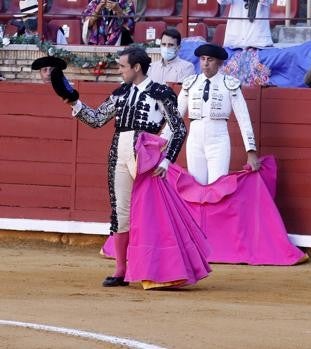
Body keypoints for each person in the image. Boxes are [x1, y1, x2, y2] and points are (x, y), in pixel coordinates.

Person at [68, 46, 187, 287]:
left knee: (150, 215)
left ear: (137, 67)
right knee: (121, 212)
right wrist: (74, 102)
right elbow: (97, 119)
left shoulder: (161, 92)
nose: (119, 70)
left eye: (122, 66)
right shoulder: (120, 92)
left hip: (147, 157)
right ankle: (121, 269)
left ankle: (156, 269)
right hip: (119, 153)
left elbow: (179, 128)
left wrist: (167, 160)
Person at [162, 43, 259, 185]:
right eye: (203, 59)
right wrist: (162, 142)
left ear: (219, 62)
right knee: (196, 186)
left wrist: (251, 151)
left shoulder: (230, 84)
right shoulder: (190, 83)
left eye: (210, 60)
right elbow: (174, 119)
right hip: (194, 142)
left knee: (218, 187)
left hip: (218, 141)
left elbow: (244, 119)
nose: (205, 64)